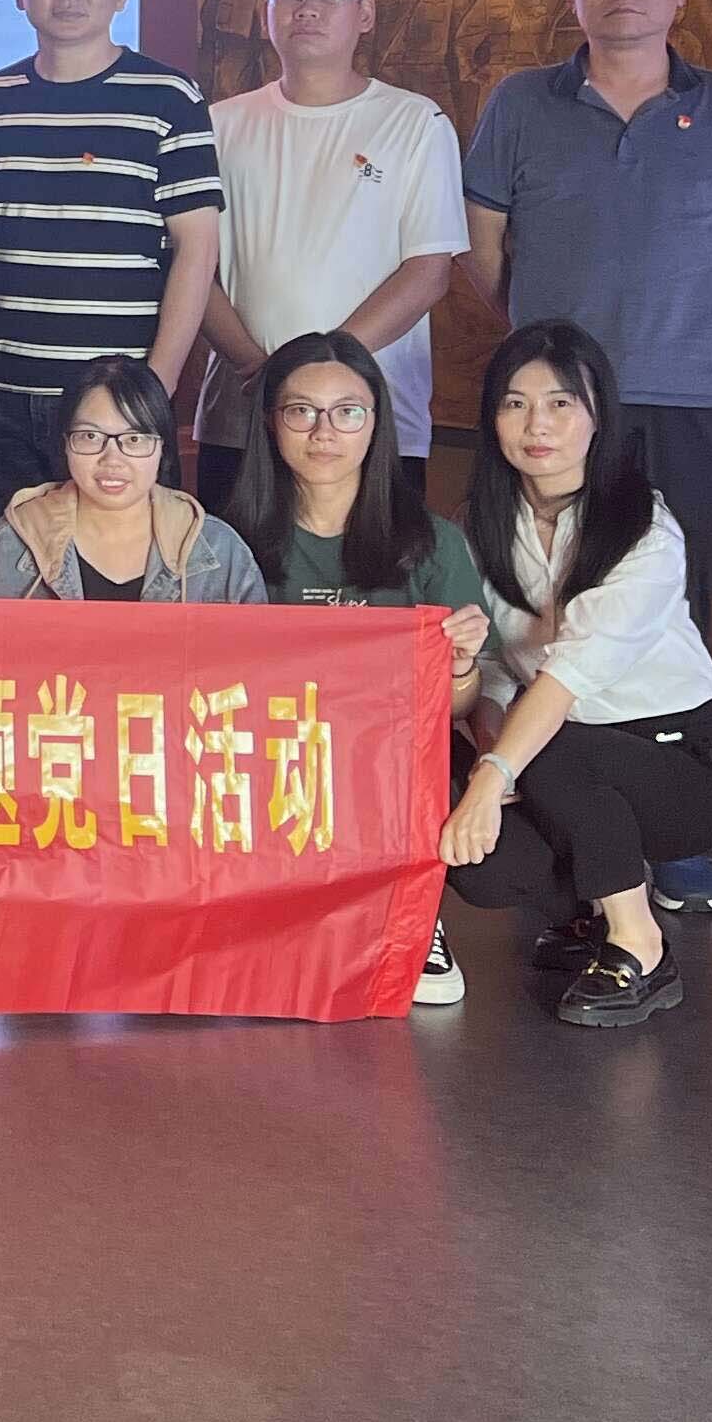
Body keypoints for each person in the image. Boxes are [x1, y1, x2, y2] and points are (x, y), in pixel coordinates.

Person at [461, 0, 712, 915]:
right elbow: (485, 249)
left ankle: (669, 824)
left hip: (685, 397)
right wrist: (558, 371)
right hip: (557, 403)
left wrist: (675, 328)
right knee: (536, 588)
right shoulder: (522, 103)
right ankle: (565, 803)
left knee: (672, 599)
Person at [443, 321, 712, 1028]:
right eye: (515, 403)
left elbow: (566, 680)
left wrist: (495, 774)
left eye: (560, 403)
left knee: (545, 752)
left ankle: (641, 944)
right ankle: (585, 918)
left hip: (681, 762)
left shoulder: (643, 528)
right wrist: (489, 754)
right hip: (560, 754)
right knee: (483, 860)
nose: (537, 425)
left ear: (598, 416)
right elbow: (492, 667)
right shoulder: (480, 525)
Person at [221, 327, 495, 1007]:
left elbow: (458, 708)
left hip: (388, 758)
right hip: (271, 751)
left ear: (376, 423)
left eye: (347, 412)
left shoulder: (432, 543)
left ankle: (413, 916)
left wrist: (460, 665)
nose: (324, 432)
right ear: (270, 422)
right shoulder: (227, 541)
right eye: (301, 411)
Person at [0, 0, 224, 528]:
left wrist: (152, 389)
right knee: (12, 566)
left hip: (118, 405)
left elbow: (197, 251)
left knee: (129, 571)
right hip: (6, 393)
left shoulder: (169, 98)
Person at [192, 0, 467, 517]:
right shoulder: (219, 125)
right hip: (240, 415)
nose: (306, 9)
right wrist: (255, 365)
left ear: (364, 14)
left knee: (370, 570)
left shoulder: (415, 123)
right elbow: (193, 266)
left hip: (369, 418)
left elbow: (428, 271)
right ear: (265, 12)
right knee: (236, 571)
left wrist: (322, 373)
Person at [0, 359, 269, 602]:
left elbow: (256, 654)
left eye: (135, 439)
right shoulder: (13, 542)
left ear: (162, 447)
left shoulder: (218, 548)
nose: (112, 459)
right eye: (90, 436)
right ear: (65, 443)